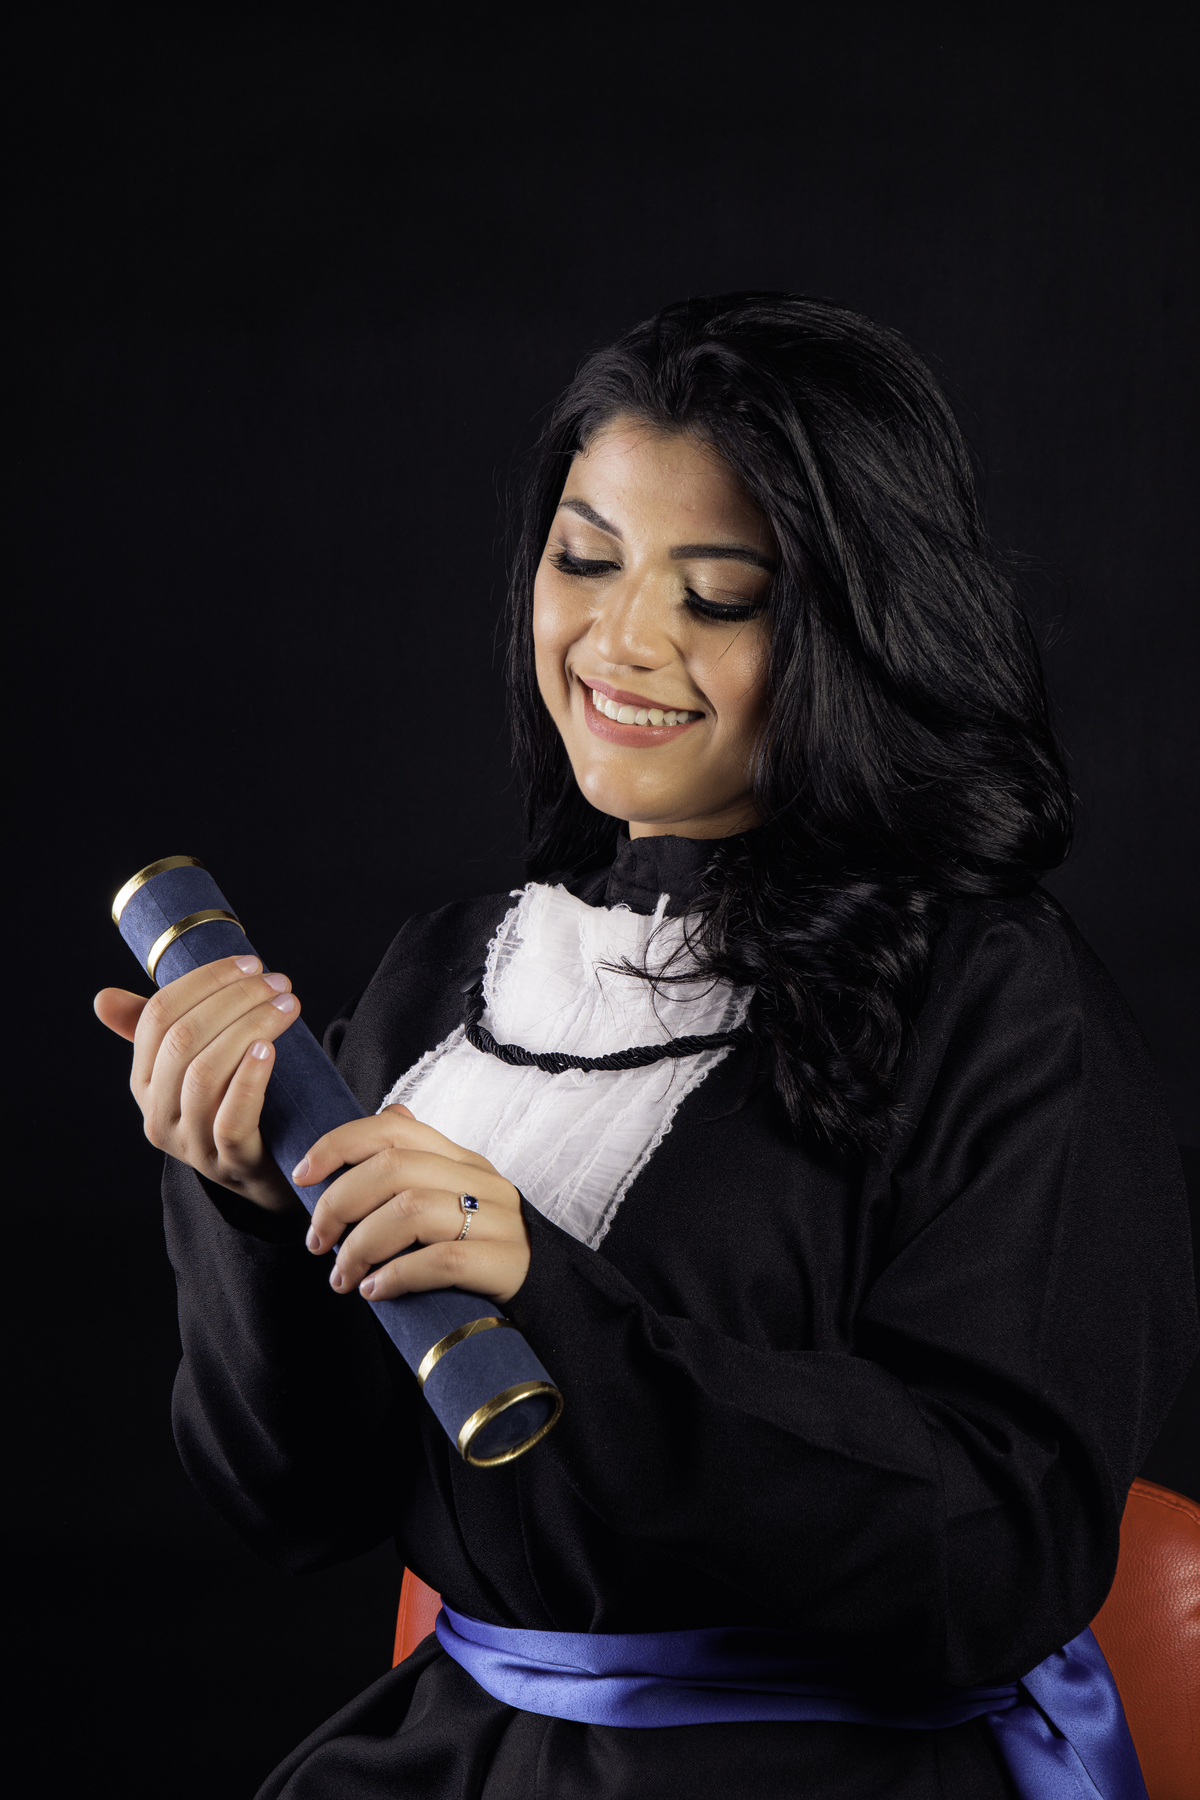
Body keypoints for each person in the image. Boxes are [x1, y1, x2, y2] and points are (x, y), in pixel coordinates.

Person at [96, 294, 1197, 1799]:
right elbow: (295, 1507)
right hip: (453, 1752)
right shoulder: (449, 971)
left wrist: (547, 1297)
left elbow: (1003, 1552)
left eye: (722, 595)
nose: (621, 640)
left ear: (861, 625)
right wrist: (242, 1204)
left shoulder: (1001, 1005)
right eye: (585, 559)